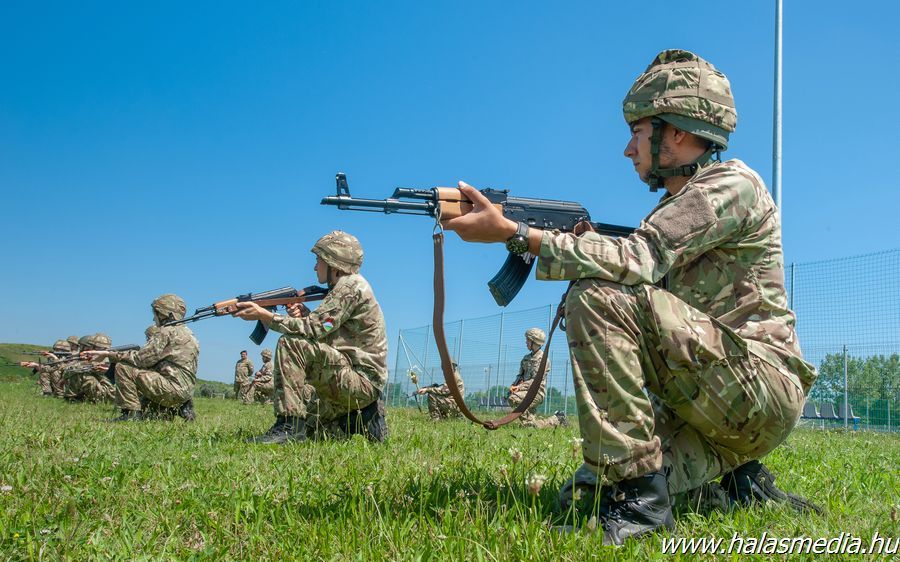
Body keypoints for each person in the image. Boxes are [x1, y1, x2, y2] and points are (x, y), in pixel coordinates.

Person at [442, 49, 819, 544]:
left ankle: (643, 508)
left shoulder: (731, 185)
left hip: (760, 388)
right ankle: (737, 482)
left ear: (677, 132)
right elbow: (644, 269)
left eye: (638, 133)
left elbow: (638, 259)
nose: (628, 149)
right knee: (586, 494)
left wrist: (516, 233)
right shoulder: (678, 204)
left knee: (595, 294)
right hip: (717, 400)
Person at [231, 231, 389, 444]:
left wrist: (265, 316)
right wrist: (306, 314)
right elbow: (326, 329)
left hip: (359, 381)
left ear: (333, 262)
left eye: (318, 260)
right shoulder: (351, 286)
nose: (315, 267)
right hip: (357, 381)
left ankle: (289, 427)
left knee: (291, 343)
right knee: (313, 425)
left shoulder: (350, 287)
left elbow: (313, 329)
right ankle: (361, 417)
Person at [83, 294, 200, 422]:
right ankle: (172, 410)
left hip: (171, 389)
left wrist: (107, 355)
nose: (154, 318)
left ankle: (130, 415)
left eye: (155, 313)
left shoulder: (166, 332)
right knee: (150, 415)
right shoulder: (190, 334)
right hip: (184, 393)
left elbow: (140, 359)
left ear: (163, 313)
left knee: (123, 367)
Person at [507, 328, 567, 429]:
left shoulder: (543, 360)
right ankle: (557, 419)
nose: (526, 342)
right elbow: (520, 375)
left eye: (528, 340)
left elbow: (536, 381)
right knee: (531, 423)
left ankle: (531, 425)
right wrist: (515, 385)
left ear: (534, 341)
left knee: (514, 399)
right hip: (524, 391)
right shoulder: (526, 358)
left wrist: (519, 388)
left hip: (537, 392)